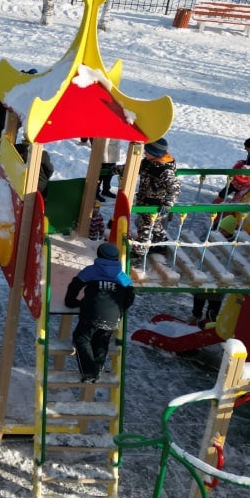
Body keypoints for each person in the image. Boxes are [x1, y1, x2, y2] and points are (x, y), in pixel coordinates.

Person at [64, 242, 135, 383]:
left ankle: (89, 372)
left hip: (92, 312)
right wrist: (120, 310)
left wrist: (71, 301)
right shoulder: (123, 276)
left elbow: (75, 285)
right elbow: (130, 296)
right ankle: (97, 370)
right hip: (113, 317)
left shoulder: (91, 270)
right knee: (101, 342)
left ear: (99, 255)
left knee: (81, 338)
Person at [133, 137, 179, 258]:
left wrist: (168, 204)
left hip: (157, 206)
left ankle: (139, 253)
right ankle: (161, 243)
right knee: (156, 225)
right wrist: (115, 169)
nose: (144, 152)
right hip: (146, 202)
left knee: (145, 227)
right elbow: (133, 169)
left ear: (155, 153)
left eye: (147, 150)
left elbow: (174, 189)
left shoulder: (164, 170)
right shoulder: (148, 163)